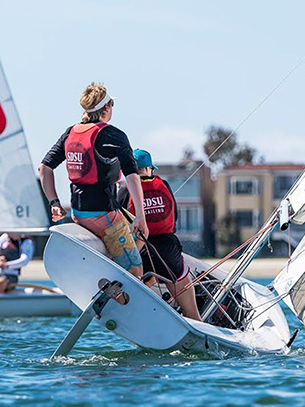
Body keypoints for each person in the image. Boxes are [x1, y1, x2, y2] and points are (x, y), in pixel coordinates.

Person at [38, 82, 148, 278]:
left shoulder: (71, 132)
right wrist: (141, 216)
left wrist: (54, 203)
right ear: (107, 107)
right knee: (135, 268)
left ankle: (114, 269)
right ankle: (121, 291)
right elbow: (132, 176)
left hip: (78, 213)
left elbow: (44, 168)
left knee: (137, 232)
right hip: (104, 216)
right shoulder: (113, 135)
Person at [117, 149, 200, 320]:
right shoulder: (164, 184)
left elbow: (117, 220)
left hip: (141, 252)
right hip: (169, 251)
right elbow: (174, 217)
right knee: (192, 314)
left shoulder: (125, 189)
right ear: (147, 169)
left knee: (140, 284)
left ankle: (150, 281)